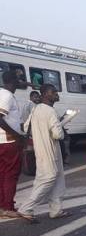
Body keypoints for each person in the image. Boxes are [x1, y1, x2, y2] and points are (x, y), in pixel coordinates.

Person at [17, 84, 77, 222]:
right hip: (50, 149)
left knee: (55, 179)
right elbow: (57, 135)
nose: (56, 94)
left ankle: (56, 210)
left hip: (40, 148)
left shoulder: (35, 109)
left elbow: (26, 128)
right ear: (45, 94)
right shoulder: (50, 111)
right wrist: (62, 124)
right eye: (53, 92)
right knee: (49, 178)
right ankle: (26, 208)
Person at [0, 71, 27, 219]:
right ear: (14, 81)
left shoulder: (2, 93)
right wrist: (17, 136)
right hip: (8, 141)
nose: (20, 82)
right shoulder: (7, 96)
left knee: (3, 174)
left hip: (2, 142)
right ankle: (8, 207)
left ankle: (3, 206)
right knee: (10, 174)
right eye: (18, 80)